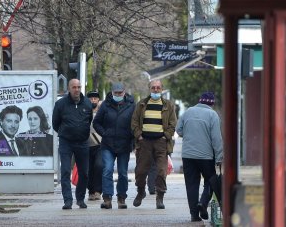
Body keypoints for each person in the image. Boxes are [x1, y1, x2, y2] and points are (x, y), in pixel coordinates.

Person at [176, 92, 223, 222]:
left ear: (200, 101)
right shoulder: (212, 115)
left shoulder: (188, 112)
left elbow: (178, 130)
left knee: (191, 184)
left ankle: (194, 215)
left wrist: (191, 134)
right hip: (206, 156)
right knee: (210, 181)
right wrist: (219, 157)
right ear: (211, 103)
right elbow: (216, 139)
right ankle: (203, 203)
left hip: (188, 156)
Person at [131, 79, 177, 209]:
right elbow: (134, 122)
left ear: (162, 89)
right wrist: (139, 135)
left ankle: (160, 198)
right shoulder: (141, 104)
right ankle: (140, 192)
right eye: (153, 88)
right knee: (140, 171)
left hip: (161, 143)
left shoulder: (168, 105)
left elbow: (173, 123)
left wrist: (165, 136)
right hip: (144, 142)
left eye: (158, 88)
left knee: (162, 171)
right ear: (149, 89)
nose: (155, 90)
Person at [93, 82, 135, 209]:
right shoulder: (105, 105)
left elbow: (135, 123)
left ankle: (121, 198)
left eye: (120, 93)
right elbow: (96, 123)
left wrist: (132, 139)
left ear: (124, 92)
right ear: (112, 92)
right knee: (107, 170)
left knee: (122, 173)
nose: (118, 95)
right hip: (108, 144)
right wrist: (104, 133)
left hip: (124, 144)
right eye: (116, 93)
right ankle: (107, 198)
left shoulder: (132, 105)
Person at [52, 79, 93, 210]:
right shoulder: (60, 104)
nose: (77, 89)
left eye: (79, 87)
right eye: (74, 87)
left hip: (82, 142)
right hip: (66, 142)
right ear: (69, 88)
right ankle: (67, 200)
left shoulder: (87, 102)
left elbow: (89, 119)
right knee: (65, 171)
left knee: (84, 173)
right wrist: (66, 132)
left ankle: (80, 199)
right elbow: (55, 124)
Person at [86, 91, 103, 201]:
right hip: (87, 145)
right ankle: (91, 191)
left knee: (99, 166)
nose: (93, 100)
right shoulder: (84, 111)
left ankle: (98, 191)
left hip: (100, 144)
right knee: (88, 169)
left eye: (95, 98)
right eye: (91, 98)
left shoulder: (102, 112)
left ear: (98, 100)